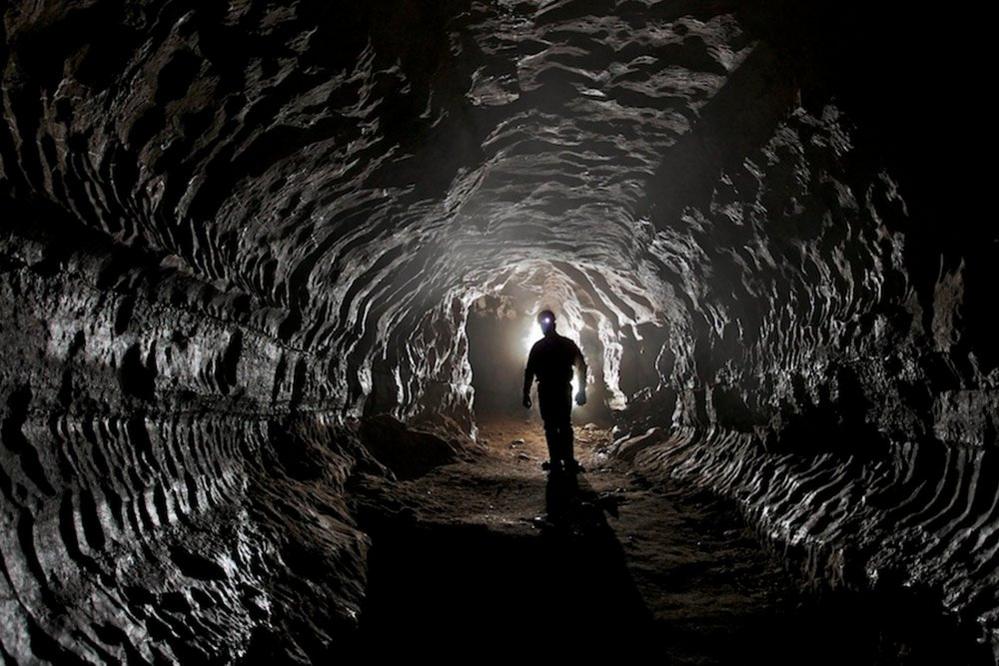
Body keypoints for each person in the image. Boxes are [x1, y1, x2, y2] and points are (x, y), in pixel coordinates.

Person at [522, 309, 588, 474]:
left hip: (548, 390)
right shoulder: (567, 345)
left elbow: (529, 371)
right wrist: (581, 391)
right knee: (562, 425)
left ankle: (558, 461)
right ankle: (566, 461)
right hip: (561, 389)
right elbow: (581, 367)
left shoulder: (539, 347)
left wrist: (526, 393)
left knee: (553, 426)